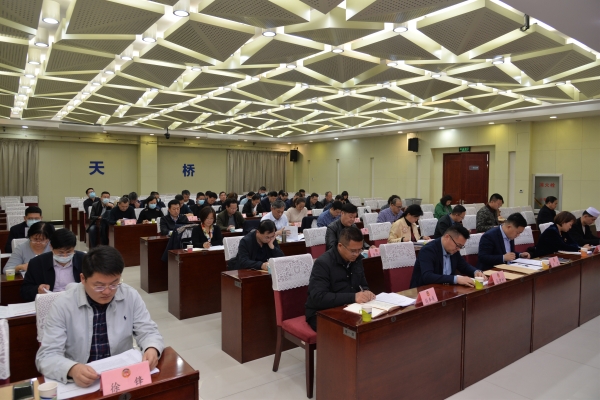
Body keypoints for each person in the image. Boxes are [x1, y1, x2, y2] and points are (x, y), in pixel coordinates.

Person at [36, 246, 164, 387]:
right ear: (83, 278)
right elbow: (47, 356)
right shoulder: (63, 305)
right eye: (99, 286)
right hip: (84, 380)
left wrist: (152, 348)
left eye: (114, 284)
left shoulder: (130, 295)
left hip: (121, 376)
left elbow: (148, 331)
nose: (107, 292)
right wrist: (72, 369)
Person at [305, 226, 375, 331]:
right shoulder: (323, 263)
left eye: (359, 250)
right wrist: (353, 297)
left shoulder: (357, 260)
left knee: (374, 324)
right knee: (351, 332)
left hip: (349, 308)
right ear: (340, 246)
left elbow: (362, 284)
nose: (356, 254)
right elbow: (319, 297)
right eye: (353, 251)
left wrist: (366, 291)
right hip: (321, 312)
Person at [410, 225, 485, 288]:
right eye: (458, 245)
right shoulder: (428, 250)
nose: (459, 249)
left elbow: (464, 266)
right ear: (447, 237)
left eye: (461, 247)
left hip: (446, 289)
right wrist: (456, 279)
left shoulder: (454, 249)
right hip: (425, 291)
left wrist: (475, 272)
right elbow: (427, 276)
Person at [21, 229, 85, 302]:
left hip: (77, 301)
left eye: (69, 252)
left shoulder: (84, 260)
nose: (65, 256)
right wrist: (37, 289)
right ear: (51, 247)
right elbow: (24, 291)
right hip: (49, 302)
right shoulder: (37, 263)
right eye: (60, 253)